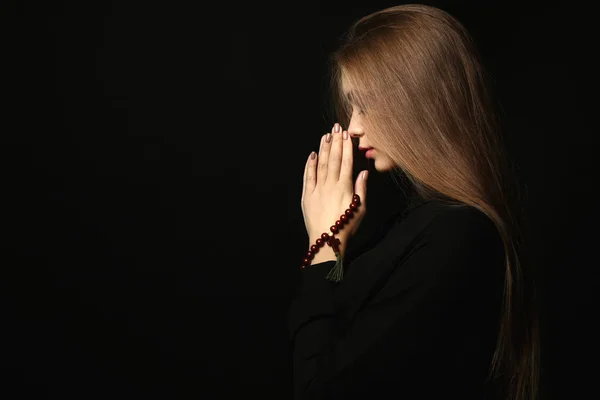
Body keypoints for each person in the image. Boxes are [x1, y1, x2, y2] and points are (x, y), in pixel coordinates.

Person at [289, 4, 540, 400]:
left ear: (418, 102)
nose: (353, 127)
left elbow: (321, 388)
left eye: (366, 104)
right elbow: (336, 309)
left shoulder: (458, 235)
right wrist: (332, 251)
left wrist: (322, 244)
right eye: (352, 107)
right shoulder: (421, 225)